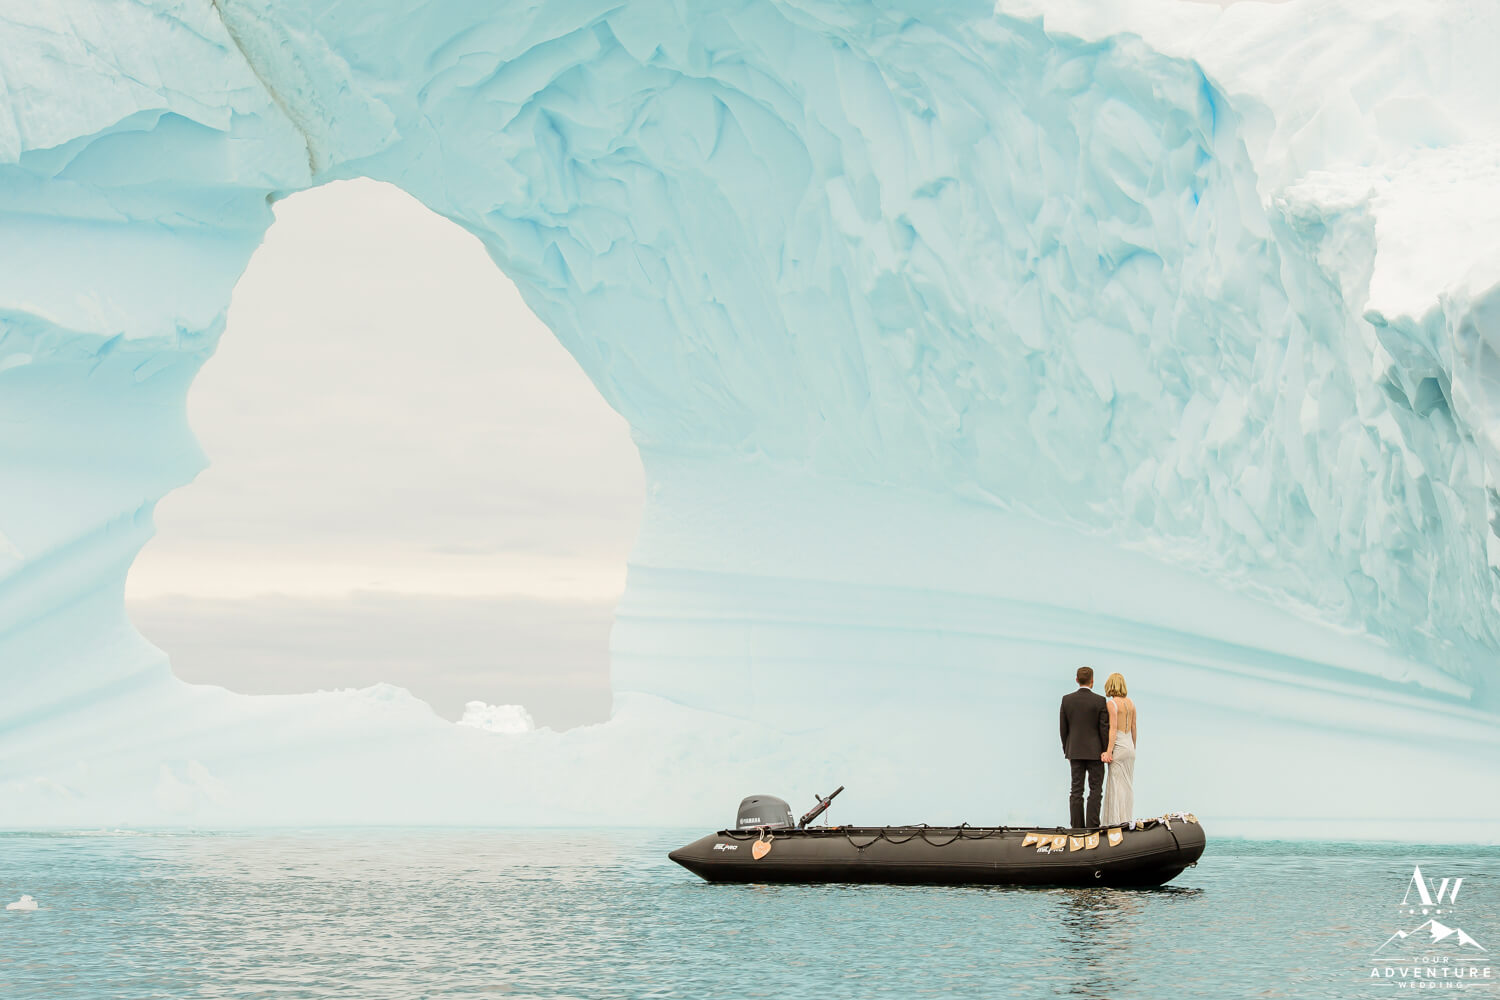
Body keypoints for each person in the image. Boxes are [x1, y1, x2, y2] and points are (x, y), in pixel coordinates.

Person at [1058, 666, 1110, 829]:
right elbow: (1104, 729)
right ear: (1092, 681)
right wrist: (1105, 750)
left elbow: (1063, 728)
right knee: (1095, 791)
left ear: (1076, 680)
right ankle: (1092, 827)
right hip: (1096, 753)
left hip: (1074, 751)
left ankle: (1077, 828)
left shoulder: (1067, 700)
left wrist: (1067, 748)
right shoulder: (1100, 701)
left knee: (1076, 791)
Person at [1101, 672, 1138, 826]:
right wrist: (1134, 747)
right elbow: (1134, 727)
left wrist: (1108, 751)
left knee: (1115, 785)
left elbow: (1113, 730)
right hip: (1129, 746)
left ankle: (1114, 822)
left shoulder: (1112, 704)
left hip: (1119, 746)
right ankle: (1126, 819)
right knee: (1127, 785)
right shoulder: (1131, 703)